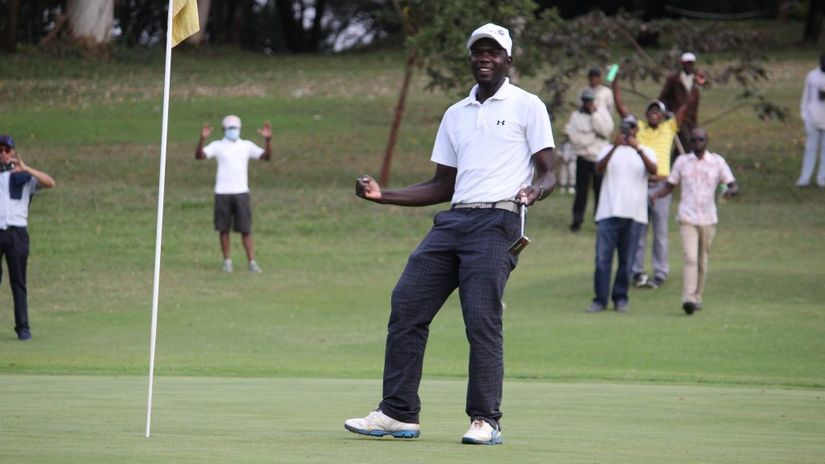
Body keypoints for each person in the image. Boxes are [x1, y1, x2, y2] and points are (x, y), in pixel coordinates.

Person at [344, 23, 555, 446]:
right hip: (454, 221)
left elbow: (550, 170)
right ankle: (398, 413)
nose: (484, 57)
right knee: (407, 305)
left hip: (498, 223)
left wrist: (535, 190)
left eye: (493, 51)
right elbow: (442, 185)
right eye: (478, 51)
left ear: (508, 59)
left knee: (481, 320)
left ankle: (485, 420)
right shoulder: (455, 113)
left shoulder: (527, 105)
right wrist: (384, 195)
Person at [612, 69, 703, 289]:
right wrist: (614, 83)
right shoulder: (640, 128)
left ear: (662, 115)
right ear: (646, 114)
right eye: (651, 110)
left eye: (657, 111)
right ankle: (637, 271)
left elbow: (685, 108)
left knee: (660, 232)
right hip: (641, 185)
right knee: (639, 231)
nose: (654, 113)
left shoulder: (668, 128)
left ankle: (660, 271)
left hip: (662, 187)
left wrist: (697, 88)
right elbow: (621, 108)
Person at [650, 128, 738, 315]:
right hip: (687, 217)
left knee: (702, 262)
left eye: (701, 139)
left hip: (708, 218)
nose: (697, 142)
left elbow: (731, 183)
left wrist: (731, 191)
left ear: (706, 141)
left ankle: (698, 296)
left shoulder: (717, 162)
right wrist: (656, 194)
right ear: (690, 142)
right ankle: (688, 298)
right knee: (690, 257)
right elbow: (669, 185)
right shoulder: (682, 162)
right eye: (694, 140)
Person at [586, 116, 657, 313]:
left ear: (637, 130)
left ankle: (620, 298)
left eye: (632, 127)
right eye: (625, 127)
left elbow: (654, 170)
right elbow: (598, 169)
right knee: (602, 260)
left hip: (634, 214)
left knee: (626, 261)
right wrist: (615, 147)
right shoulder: (608, 149)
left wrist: (638, 149)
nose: (628, 131)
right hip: (608, 212)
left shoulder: (646, 151)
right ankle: (600, 299)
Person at [195, 115, 272, 273]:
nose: (233, 131)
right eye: (230, 128)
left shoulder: (246, 146)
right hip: (222, 192)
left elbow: (266, 157)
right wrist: (202, 139)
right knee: (223, 229)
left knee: (246, 229)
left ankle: (252, 262)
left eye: (235, 128)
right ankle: (227, 261)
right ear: (224, 130)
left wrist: (268, 140)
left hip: (241, 192)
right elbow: (200, 156)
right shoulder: (218, 146)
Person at [0, 135, 56, 340]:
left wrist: (25, 168)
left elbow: (50, 182)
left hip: (17, 232)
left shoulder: (24, 177)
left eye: (7, 150)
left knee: (18, 281)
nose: (4, 154)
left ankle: (23, 327)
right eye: (0, 151)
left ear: (13, 152)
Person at [565, 88, 614, 232]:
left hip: (599, 159)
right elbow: (575, 140)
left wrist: (594, 115)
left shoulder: (602, 113)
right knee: (581, 192)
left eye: (590, 100)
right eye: (586, 101)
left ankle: (600, 220)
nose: (588, 103)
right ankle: (577, 220)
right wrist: (593, 136)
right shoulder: (576, 116)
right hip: (583, 157)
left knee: (600, 191)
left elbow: (606, 132)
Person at [659, 52, 701, 153]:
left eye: (691, 63)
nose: (689, 66)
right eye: (687, 63)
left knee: (684, 144)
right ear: (682, 64)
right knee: (687, 144)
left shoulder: (697, 79)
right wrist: (667, 112)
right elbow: (663, 98)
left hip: (692, 118)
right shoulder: (674, 79)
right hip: (677, 118)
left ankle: (675, 163)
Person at [797, 52, 825, 188]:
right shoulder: (812, 76)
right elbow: (805, 98)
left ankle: (822, 179)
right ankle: (804, 179)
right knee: (810, 150)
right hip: (813, 119)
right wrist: (805, 117)